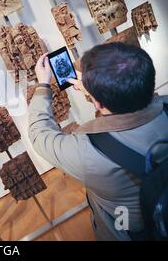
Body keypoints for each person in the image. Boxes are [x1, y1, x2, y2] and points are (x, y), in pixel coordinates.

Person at [28, 42, 168, 240]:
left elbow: (39, 133)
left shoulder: (90, 153)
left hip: (131, 228)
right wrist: (94, 93)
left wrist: (43, 85)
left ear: (99, 103)